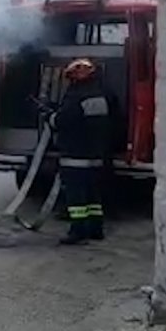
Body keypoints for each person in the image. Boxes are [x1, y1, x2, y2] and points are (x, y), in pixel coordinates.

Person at [49, 58, 111, 245]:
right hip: (95, 154)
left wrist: (50, 117)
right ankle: (96, 229)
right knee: (93, 195)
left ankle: (78, 231)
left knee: (76, 196)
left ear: (75, 77)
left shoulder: (75, 96)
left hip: (75, 154)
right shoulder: (100, 94)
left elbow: (63, 121)